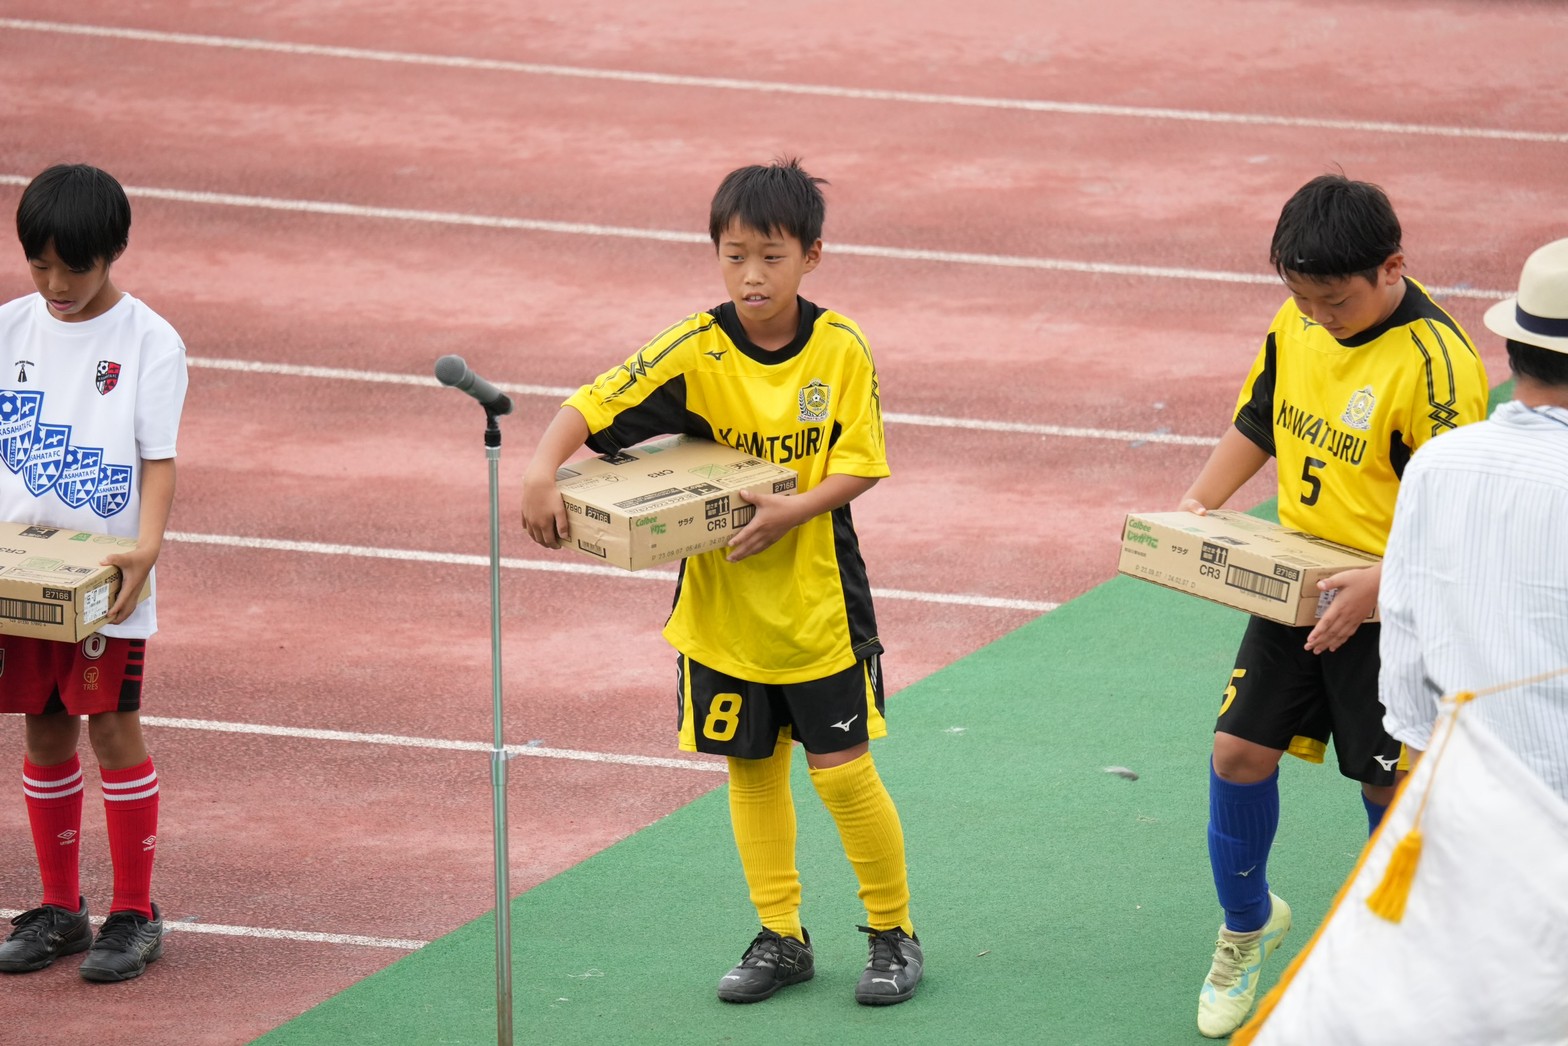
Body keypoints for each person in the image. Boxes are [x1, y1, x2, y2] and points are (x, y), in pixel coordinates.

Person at [521, 158, 921, 1006]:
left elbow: (863, 465)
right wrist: (539, 469)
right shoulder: (696, 346)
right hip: (720, 615)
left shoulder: (840, 348)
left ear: (811, 256)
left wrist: (790, 509)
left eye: (771, 257)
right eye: (734, 255)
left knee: (845, 774)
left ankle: (893, 932)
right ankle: (782, 936)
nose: (751, 275)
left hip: (817, 614)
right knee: (750, 772)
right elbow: (593, 402)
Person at [1175, 173, 1490, 1038]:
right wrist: (1195, 509)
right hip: (1298, 585)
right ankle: (1246, 929)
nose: (1317, 316)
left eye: (1334, 301)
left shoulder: (1436, 366)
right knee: (1237, 752)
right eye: (1301, 298)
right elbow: (1260, 418)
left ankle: (1393, 967)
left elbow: (1460, 521)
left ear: (1393, 268)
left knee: (1387, 797)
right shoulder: (1297, 321)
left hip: (1397, 609)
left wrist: (1383, 586)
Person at [0, 164, 189, 982]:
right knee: (42, 730)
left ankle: (136, 913)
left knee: (112, 731)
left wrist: (144, 554)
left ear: (113, 252)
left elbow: (158, 462)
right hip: (24, 583)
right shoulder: (10, 329)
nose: (54, 284)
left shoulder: (150, 340)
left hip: (106, 582)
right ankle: (58, 910)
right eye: (38, 264)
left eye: (71, 267)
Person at [1380, 237, 1568, 798]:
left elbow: (1402, 620)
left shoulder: (1437, 462)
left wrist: (1421, 756)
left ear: (1514, 346)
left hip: (1459, 781)